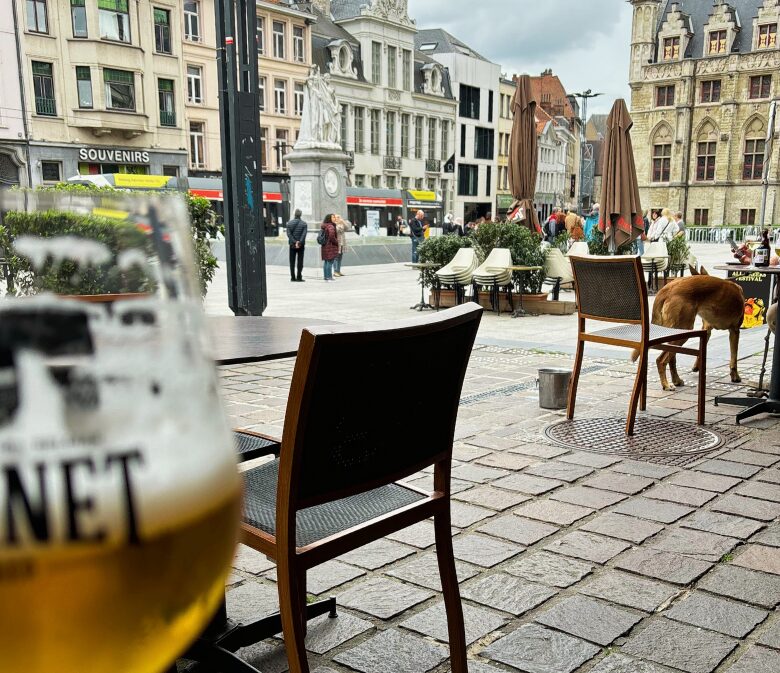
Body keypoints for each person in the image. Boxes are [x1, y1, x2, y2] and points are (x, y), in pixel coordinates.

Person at [285, 208, 307, 282]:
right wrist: (299, 242)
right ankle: (299, 277)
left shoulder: (289, 223)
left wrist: (294, 242)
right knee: (300, 261)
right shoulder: (304, 224)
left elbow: (289, 235)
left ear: (294, 214)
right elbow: (304, 235)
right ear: (300, 215)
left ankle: (292, 277)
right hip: (301, 245)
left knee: (292, 261)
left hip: (292, 245)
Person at [319, 214, 339, 281]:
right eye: (333, 217)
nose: (334, 218)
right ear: (329, 218)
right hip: (330, 246)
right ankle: (329, 277)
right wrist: (336, 242)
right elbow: (331, 236)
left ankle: (326, 277)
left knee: (326, 262)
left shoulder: (324, 225)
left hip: (325, 246)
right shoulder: (331, 226)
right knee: (330, 262)